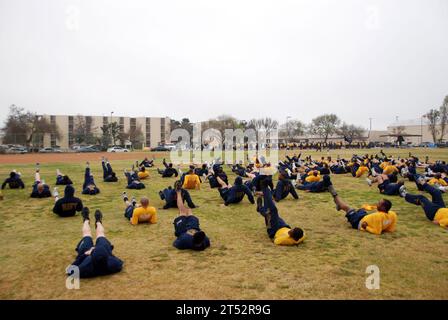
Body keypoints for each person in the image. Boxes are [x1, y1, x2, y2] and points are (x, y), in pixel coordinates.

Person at [326, 177, 397, 235]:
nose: (377, 204)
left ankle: (333, 192)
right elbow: (391, 228)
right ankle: (339, 205)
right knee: (356, 209)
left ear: (383, 208)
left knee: (348, 208)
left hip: (358, 222)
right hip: (364, 216)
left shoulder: (379, 217)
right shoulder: (392, 214)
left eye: (379, 203)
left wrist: (366, 227)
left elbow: (377, 231)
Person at [68, 208, 123, 278]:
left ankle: (86, 219)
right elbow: (120, 262)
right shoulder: (113, 264)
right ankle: (98, 221)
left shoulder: (85, 266)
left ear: (91, 257)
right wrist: (108, 254)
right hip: (103, 251)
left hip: (87, 253)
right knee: (101, 235)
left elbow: (70, 270)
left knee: (87, 235)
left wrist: (85, 255)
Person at [256, 180, 305, 245]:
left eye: (292, 231)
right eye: (293, 229)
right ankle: (261, 206)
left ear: (292, 236)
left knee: (271, 211)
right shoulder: (296, 236)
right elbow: (303, 235)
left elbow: (276, 241)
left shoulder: (286, 239)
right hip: (283, 225)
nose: (291, 230)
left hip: (274, 229)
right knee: (270, 211)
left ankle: (264, 189)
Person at [172, 185, 210, 250]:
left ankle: (178, 192)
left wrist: (179, 235)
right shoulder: (205, 241)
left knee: (182, 211)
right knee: (189, 211)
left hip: (182, 230)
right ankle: (180, 193)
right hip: (194, 227)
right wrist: (195, 231)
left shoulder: (184, 240)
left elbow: (175, 243)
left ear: (192, 237)